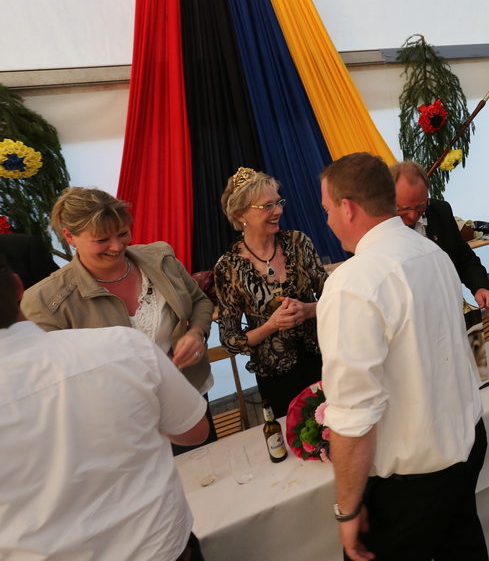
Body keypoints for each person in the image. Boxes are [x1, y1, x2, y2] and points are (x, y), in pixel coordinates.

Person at [318, 152, 487, 561]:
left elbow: (354, 415)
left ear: (347, 207)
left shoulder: (352, 283)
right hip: (466, 444)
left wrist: (348, 509)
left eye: (327, 210)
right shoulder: (432, 253)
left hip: (415, 477)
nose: (328, 220)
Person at [1, 256, 211, 560]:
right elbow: (193, 431)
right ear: (19, 287)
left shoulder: (126, 339)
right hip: (160, 546)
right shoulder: (123, 344)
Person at [21, 187, 214, 394]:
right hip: (115, 409)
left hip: (189, 388)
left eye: (123, 233)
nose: (117, 246)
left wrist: (196, 332)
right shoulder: (44, 300)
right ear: (69, 236)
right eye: (102, 240)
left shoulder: (161, 258)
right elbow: (48, 377)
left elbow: (199, 301)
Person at [214, 167, 328, 419]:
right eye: (267, 206)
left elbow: (335, 299)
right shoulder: (228, 268)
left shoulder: (299, 243)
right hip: (276, 378)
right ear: (240, 215)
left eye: (278, 202)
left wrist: (309, 310)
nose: (278, 211)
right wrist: (270, 326)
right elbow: (230, 340)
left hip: (323, 360)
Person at [390, 160, 489, 318]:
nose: (413, 215)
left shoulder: (440, 211)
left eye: (420, 206)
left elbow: (464, 258)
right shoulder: (379, 226)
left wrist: (480, 287)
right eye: (404, 209)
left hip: (449, 312)